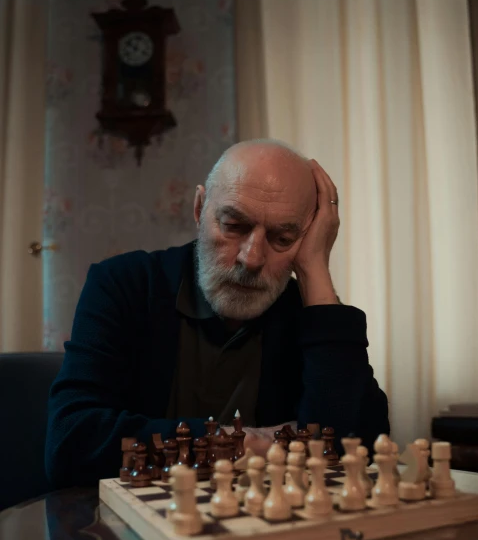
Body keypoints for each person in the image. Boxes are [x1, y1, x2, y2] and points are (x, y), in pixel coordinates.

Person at [46, 140, 389, 487]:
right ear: (199, 208)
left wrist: (315, 270)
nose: (252, 258)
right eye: (234, 226)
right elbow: (71, 442)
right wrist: (244, 443)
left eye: (282, 238)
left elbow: (358, 450)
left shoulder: (309, 314)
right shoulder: (125, 285)